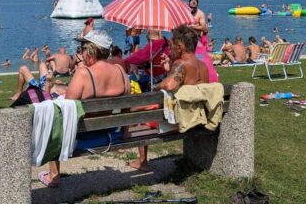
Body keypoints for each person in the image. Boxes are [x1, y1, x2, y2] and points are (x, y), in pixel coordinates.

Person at [39, 30, 129, 187]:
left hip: (84, 136)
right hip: (109, 132)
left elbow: (65, 111)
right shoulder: (120, 71)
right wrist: (126, 133)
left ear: (91, 51)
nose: (80, 53)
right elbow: (127, 107)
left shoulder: (83, 73)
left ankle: (54, 175)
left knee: (52, 118)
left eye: (82, 48)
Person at [132, 25, 210, 171]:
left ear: (180, 46)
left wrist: (156, 86)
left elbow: (169, 85)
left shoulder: (180, 64)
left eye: (173, 44)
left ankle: (142, 162)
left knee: (140, 114)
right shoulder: (202, 66)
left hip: (181, 119)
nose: (171, 47)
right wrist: (169, 71)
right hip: (197, 116)